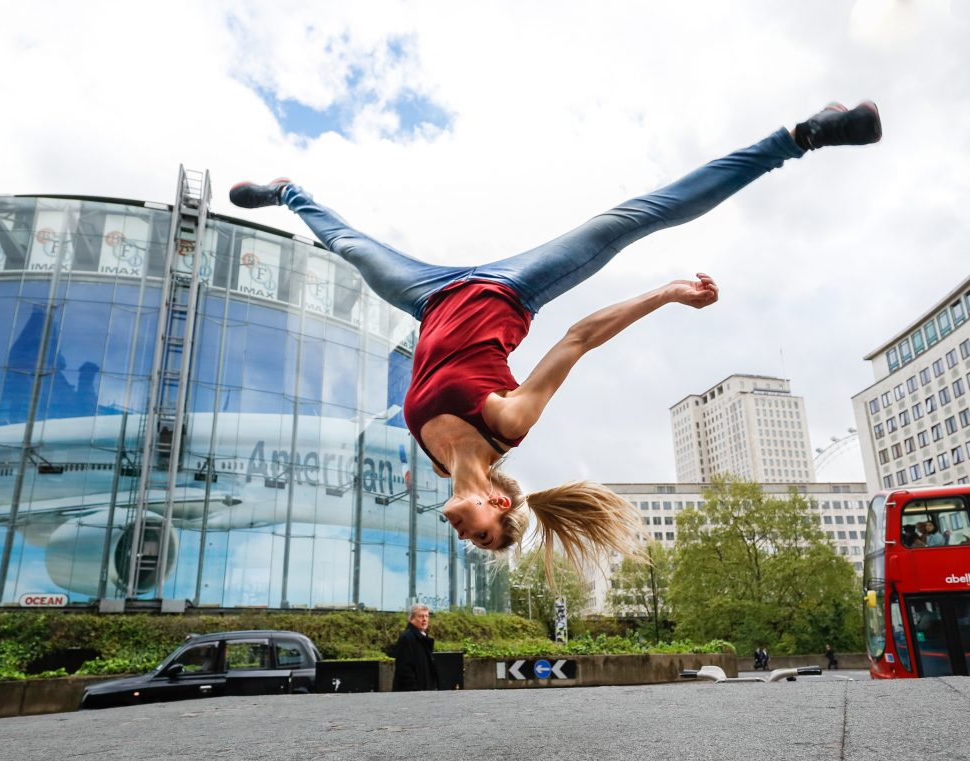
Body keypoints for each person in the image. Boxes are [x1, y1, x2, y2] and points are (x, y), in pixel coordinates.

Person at [230, 101, 883, 578]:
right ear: (496, 503)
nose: (471, 538)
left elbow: (425, 377)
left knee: (346, 245)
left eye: (475, 545)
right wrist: (665, 294)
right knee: (636, 217)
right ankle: (806, 134)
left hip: (427, 297)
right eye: (486, 538)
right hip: (509, 289)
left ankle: (289, 190)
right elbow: (578, 338)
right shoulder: (507, 423)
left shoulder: (432, 461)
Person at [391, 604, 440, 691]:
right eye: (421, 616)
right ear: (412, 619)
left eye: (426, 616)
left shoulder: (422, 637)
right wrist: (416, 691)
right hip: (412, 694)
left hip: (423, 692)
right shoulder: (407, 637)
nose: (424, 619)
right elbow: (405, 669)